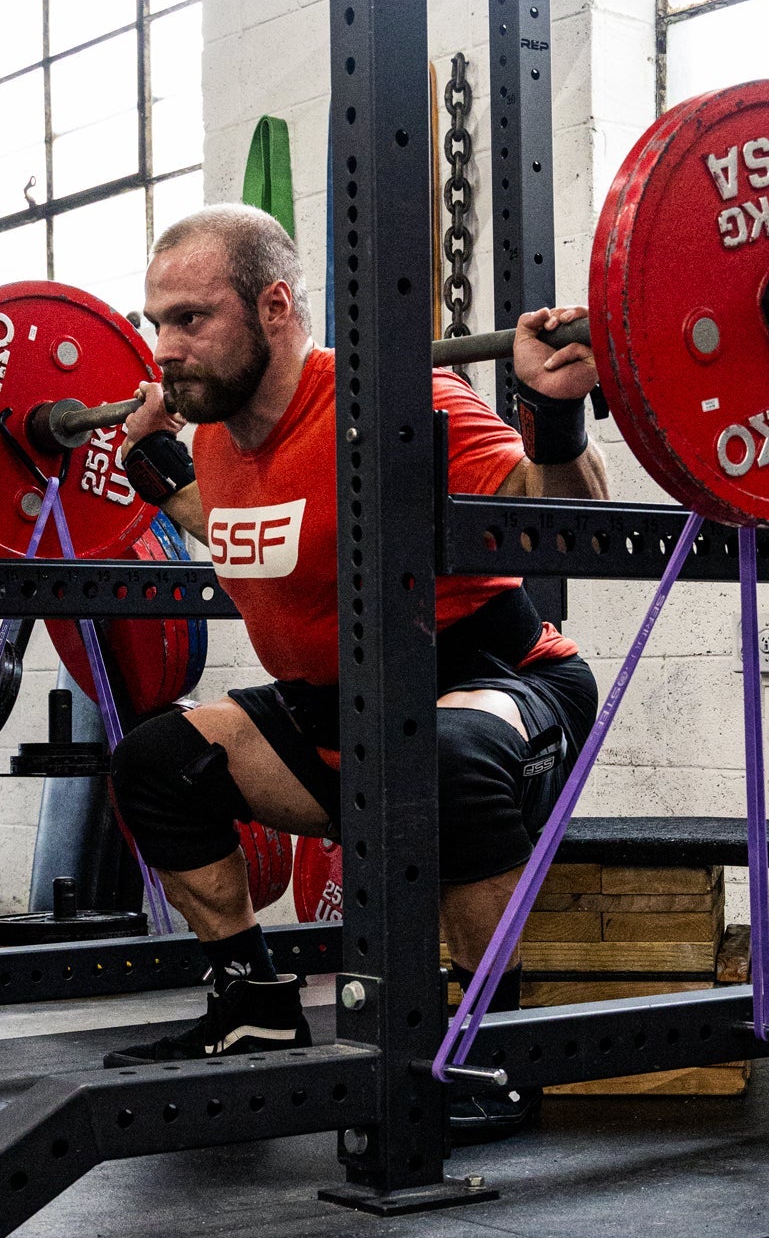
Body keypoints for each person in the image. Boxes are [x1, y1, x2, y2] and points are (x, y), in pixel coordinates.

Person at [105, 204, 609, 1141]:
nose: (165, 349)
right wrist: (154, 463)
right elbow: (255, 531)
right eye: (155, 322)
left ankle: (491, 1044)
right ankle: (252, 1010)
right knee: (157, 763)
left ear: (275, 307)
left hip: (502, 684)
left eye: (190, 320)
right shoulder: (218, 441)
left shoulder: (398, 403)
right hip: (341, 711)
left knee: (444, 757)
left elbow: (571, 524)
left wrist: (552, 414)